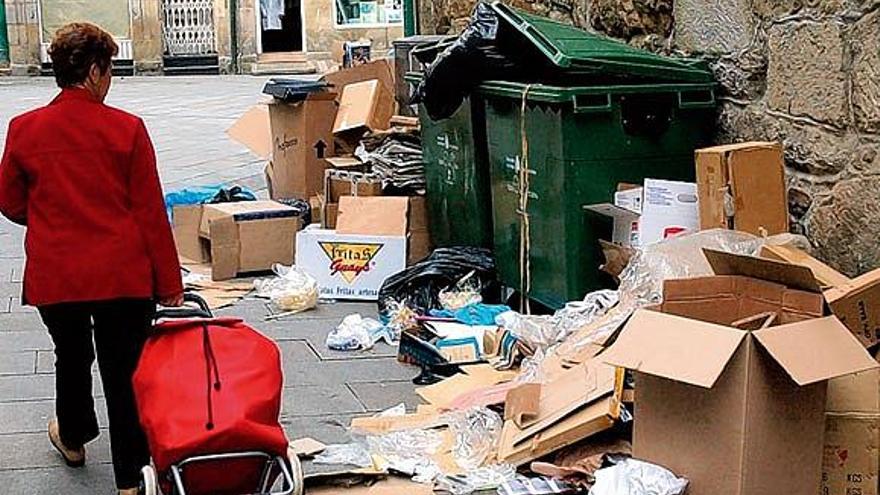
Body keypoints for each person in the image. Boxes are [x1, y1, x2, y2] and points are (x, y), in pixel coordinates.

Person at [0, 23, 183, 495]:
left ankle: (75, 437)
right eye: (110, 71)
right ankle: (130, 479)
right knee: (124, 372)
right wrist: (169, 284)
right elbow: (149, 213)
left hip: (57, 272)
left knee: (71, 354)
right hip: (122, 273)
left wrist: (47, 217)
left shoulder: (24, 128)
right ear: (97, 71)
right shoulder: (126, 129)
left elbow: (9, 200)